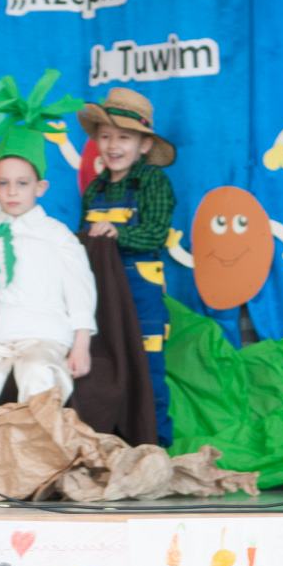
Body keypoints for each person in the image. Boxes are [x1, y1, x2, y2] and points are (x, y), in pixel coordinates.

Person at [0, 127, 96, 423]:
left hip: (43, 333)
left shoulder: (57, 236)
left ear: (40, 187)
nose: (12, 192)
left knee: (39, 370)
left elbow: (80, 291)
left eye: (22, 183)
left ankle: (35, 444)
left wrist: (82, 344)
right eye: (3, 183)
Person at [79, 88, 177, 445]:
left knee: (148, 373)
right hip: (102, 297)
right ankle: (109, 447)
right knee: (106, 369)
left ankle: (155, 448)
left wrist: (116, 233)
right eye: (106, 136)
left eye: (124, 137)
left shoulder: (153, 182)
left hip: (141, 296)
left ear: (144, 145)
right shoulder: (94, 190)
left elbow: (155, 233)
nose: (113, 145)